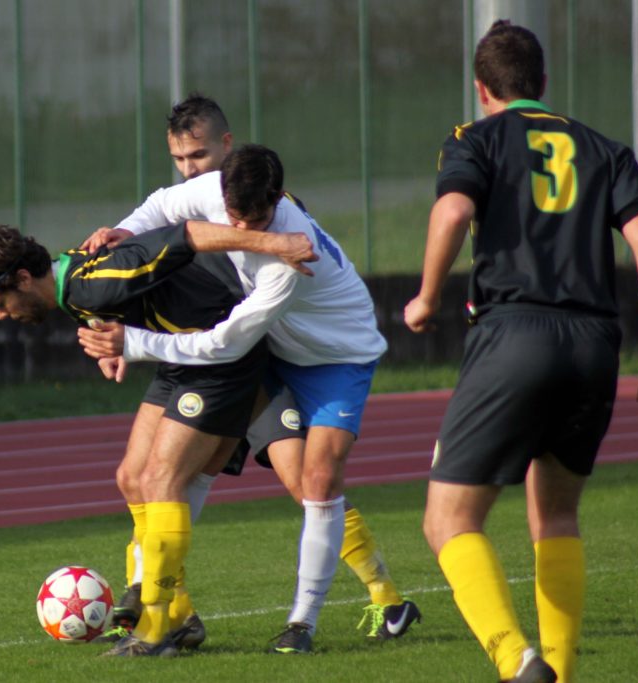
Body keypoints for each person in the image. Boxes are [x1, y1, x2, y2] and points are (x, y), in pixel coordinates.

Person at [403, 20, 638, 683]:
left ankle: (516, 660)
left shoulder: (475, 138)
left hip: (515, 334)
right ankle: (560, 668)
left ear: (482, 89)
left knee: (448, 520)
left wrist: (426, 295)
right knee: (555, 514)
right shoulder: (605, 148)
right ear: (543, 83)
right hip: (595, 345)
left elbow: (451, 213)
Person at [94, 94, 421, 650]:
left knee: (307, 481)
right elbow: (159, 211)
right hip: (240, 354)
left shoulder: (289, 260)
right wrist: (121, 234)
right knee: (145, 475)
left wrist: (135, 341)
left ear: (228, 147)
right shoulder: (213, 192)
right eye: (179, 159)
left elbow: (229, 336)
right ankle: (161, 598)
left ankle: (351, 606)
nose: (189, 169)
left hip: (293, 355)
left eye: (199, 155)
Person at [0, 218, 316, 658]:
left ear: (24, 278)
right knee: (131, 477)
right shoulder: (74, 284)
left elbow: (187, 236)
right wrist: (112, 342)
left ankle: (155, 628)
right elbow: (120, 295)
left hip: (220, 358)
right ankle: (180, 616)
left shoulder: (95, 282)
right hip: (179, 361)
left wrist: (275, 243)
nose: (0, 315)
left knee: (162, 479)